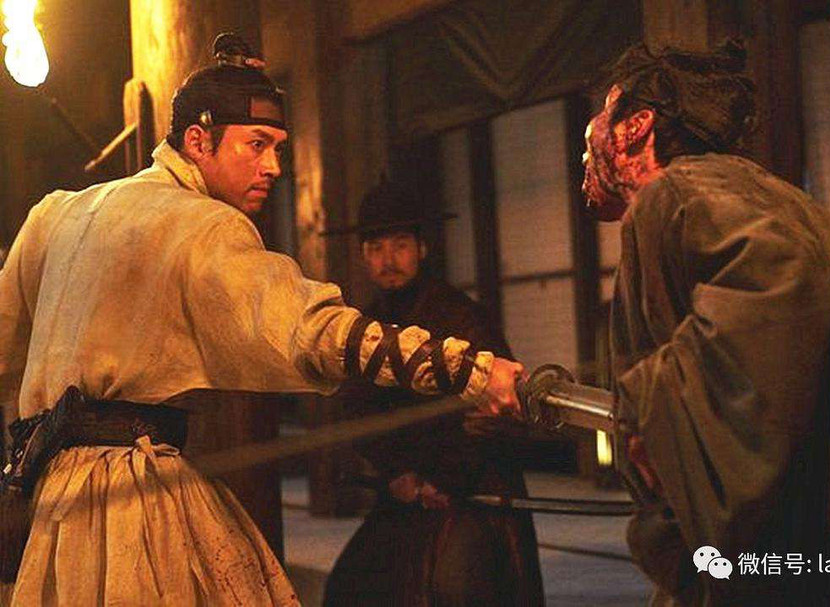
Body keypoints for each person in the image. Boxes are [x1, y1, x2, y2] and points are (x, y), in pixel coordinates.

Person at [0, 34, 523, 606]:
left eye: (278, 148)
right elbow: (311, 331)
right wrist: (473, 372)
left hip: (48, 501)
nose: (273, 166)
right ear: (198, 141)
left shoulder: (53, 214)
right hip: (132, 500)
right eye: (256, 145)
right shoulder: (202, 223)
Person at [581, 41, 830, 605]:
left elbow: (781, 284)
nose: (585, 147)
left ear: (635, 127)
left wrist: (652, 416)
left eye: (600, 121)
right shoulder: (766, 190)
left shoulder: (672, 196)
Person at [322, 180, 545, 606]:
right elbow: (358, 411)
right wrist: (397, 474)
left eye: (400, 245)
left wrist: (441, 478)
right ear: (364, 256)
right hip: (404, 490)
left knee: (454, 588)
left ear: (421, 249)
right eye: (376, 248)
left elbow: (495, 418)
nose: (388, 259)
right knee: (348, 589)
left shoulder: (461, 317)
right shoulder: (366, 327)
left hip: (472, 488)